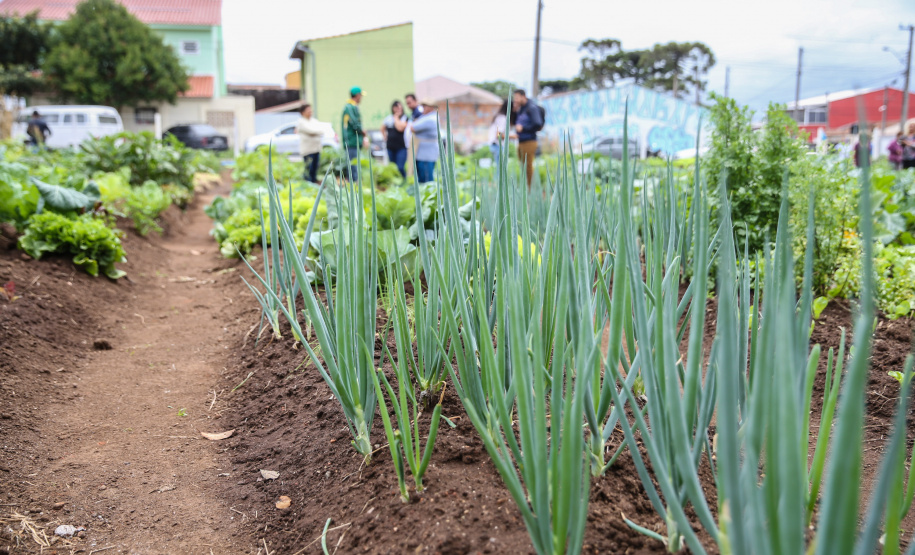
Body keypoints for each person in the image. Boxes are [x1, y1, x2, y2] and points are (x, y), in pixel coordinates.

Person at [512, 89, 543, 187]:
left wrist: (523, 128)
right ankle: (527, 188)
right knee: (523, 167)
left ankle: (532, 191)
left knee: (528, 167)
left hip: (529, 141)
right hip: (521, 141)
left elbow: (538, 123)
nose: (515, 100)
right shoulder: (521, 108)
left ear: (523, 96)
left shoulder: (531, 107)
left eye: (517, 97)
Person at [342, 86, 369, 181]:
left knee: (354, 163)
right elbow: (354, 123)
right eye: (360, 96)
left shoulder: (353, 106)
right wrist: (362, 131)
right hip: (351, 141)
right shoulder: (349, 107)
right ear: (357, 96)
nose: (361, 98)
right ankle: (353, 185)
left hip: (354, 140)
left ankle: (354, 184)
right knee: (353, 164)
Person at [409, 99, 440, 183]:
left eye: (424, 106)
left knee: (426, 180)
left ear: (431, 107)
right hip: (422, 153)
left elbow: (413, 127)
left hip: (426, 155)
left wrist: (413, 124)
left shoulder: (431, 119)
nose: (423, 108)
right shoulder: (425, 117)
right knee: (421, 178)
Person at [296, 103, 324, 183]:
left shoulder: (314, 121)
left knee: (315, 168)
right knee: (309, 169)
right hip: (308, 151)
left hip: (316, 149)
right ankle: (308, 184)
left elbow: (321, 129)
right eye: (308, 110)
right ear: (302, 112)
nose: (310, 112)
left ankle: (314, 184)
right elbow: (311, 131)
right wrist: (317, 132)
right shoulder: (301, 122)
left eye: (311, 110)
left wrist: (317, 131)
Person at [382, 101, 408, 178]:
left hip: (401, 147)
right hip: (390, 146)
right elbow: (382, 128)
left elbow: (400, 128)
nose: (398, 109)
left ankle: (403, 180)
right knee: (392, 167)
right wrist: (385, 136)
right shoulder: (388, 118)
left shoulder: (404, 118)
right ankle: (395, 183)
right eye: (396, 107)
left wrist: (396, 118)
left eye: (400, 107)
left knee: (400, 167)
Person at [488, 100, 510, 168]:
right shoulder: (502, 118)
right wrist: (513, 136)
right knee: (500, 169)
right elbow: (498, 135)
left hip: (495, 144)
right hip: (498, 145)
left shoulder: (499, 116)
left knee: (498, 167)